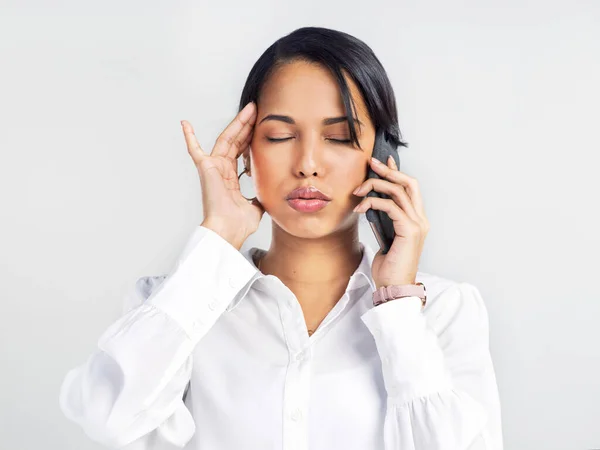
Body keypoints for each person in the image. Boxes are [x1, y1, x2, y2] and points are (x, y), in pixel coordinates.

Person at [59, 26, 503, 450]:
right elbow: (108, 420)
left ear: (381, 158)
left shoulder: (443, 311)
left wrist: (398, 309)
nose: (308, 163)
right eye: (280, 135)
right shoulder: (177, 306)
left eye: (340, 136)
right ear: (246, 153)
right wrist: (216, 241)